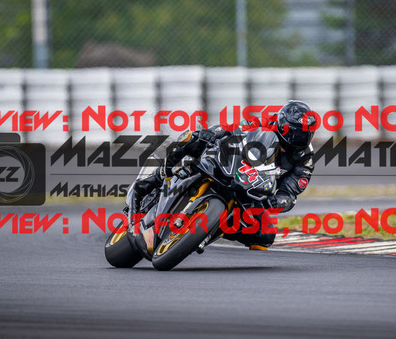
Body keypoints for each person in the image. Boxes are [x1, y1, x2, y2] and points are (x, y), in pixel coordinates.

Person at [130, 100, 316, 249]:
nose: (298, 139)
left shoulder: (305, 157)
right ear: (283, 124)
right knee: (194, 139)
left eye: (304, 135)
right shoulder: (264, 123)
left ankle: (213, 227)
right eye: (294, 133)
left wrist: (278, 201)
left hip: (254, 188)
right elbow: (232, 127)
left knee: (266, 236)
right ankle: (156, 177)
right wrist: (212, 133)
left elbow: (291, 190)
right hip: (231, 162)